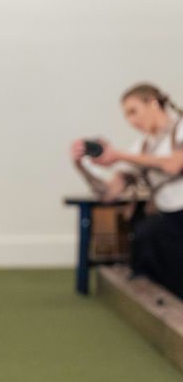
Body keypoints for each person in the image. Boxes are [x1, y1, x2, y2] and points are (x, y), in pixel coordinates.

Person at [70, 82, 183, 299]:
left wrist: (119, 156)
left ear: (152, 103)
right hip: (169, 219)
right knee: (145, 235)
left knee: (152, 232)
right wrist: (82, 167)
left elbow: (174, 164)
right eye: (126, 116)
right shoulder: (141, 146)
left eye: (134, 112)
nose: (132, 121)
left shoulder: (180, 128)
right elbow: (109, 193)